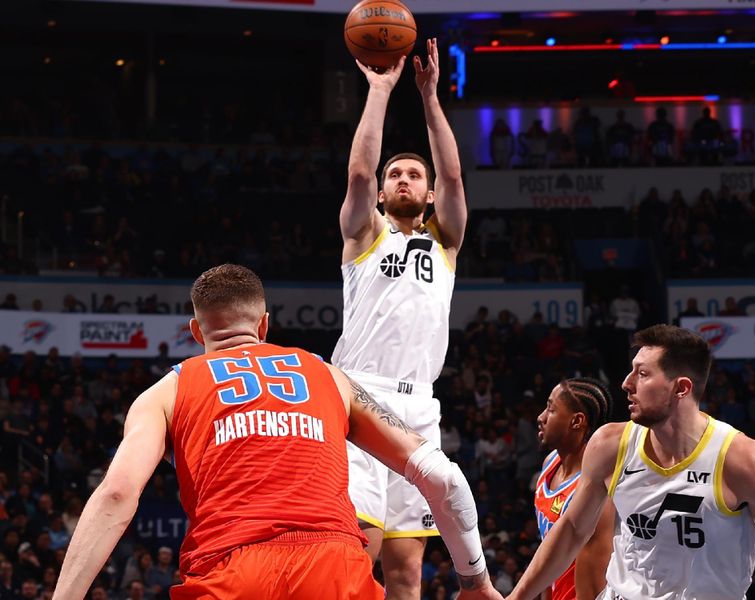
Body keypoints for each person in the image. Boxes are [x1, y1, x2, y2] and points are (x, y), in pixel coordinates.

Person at [53, 264, 501, 600]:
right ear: (264, 325)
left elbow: (115, 496)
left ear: (196, 331)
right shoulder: (330, 377)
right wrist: (475, 579)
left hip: (230, 572)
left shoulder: (165, 392)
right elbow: (443, 478)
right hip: (334, 570)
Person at [508, 324, 755, 600]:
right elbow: (572, 529)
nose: (626, 383)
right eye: (631, 371)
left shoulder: (744, 460)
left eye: (643, 374)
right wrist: (517, 597)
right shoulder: (610, 444)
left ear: (681, 388)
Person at [332, 37, 468, 599]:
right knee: (359, 552)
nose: (405, 179)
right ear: (386, 193)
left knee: (407, 569)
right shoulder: (364, 234)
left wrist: (430, 97)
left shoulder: (446, 242)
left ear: (429, 193)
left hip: (419, 407)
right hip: (361, 395)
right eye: (397, 175)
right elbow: (360, 174)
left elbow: (456, 179)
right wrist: (381, 90)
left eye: (415, 174)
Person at [534, 377, 615, 600]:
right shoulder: (550, 463)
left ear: (577, 421)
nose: (541, 417)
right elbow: (547, 553)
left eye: (551, 409)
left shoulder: (596, 492)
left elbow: (593, 587)